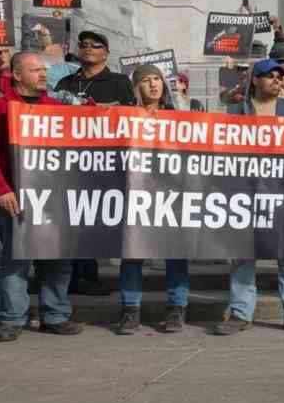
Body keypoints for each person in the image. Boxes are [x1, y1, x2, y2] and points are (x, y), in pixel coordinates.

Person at [0, 52, 80, 342]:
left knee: (58, 260)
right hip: (15, 199)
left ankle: (55, 316)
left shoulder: (57, 109)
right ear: (17, 75)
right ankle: (12, 319)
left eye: (44, 70)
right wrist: (1, 189)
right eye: (35, 70)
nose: (43, 74)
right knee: (16, 260)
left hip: (55, 199)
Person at [211, 59, 284, 335]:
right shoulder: (236, 111)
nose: (276, 79)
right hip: (245, 192)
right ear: (254, 81)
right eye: (269, 75)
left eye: (279, 75)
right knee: (243, 253)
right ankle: (240, 312)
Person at [55, 30, 135, 296]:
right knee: (72, 218)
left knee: (92, 218)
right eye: (83, 44)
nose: (88, 48)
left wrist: (107, 110)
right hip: (70, 158)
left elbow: (131, 116)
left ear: (106, 53)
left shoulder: (119, 81)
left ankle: (89, 274)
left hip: (105, 159)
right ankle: (72, 276)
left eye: (95, 45)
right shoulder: (66, 82)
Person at [115, 65, 190, 334]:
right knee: (132, 253)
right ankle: (130, 309)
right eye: (146, 80)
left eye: (156, 79)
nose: (153, 85)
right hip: (136, 192)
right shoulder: (125, 116)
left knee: (175, 252)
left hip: (172, 192)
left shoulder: (177, 115)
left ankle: (176, 308)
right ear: (136, 87)